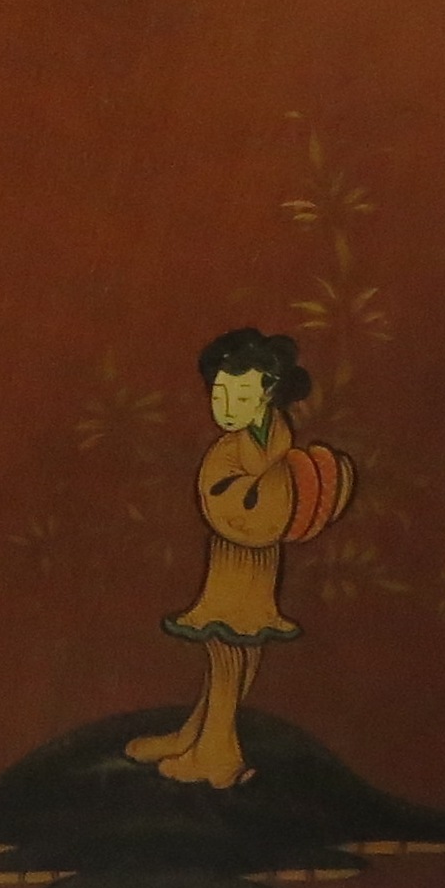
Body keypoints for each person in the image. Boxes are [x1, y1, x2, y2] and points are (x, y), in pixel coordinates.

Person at [124, 327, 356, 790]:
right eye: (219, 395)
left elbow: (279, 496)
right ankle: (197, 736)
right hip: (235, 559)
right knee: (228, 649)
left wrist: (290, 492)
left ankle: (217, 754)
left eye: (241, 396)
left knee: (237, 650)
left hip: (254, 561)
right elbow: (225, 504)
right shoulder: (237, 447)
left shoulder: (271, 439)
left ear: (269, 394)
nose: (227, 408)